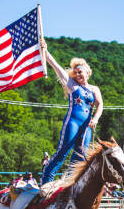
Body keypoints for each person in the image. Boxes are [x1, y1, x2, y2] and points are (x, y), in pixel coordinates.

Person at [40, 40, 103, 185]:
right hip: (73, 123)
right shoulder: (72, 85)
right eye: (75, 72)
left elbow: (100, 105)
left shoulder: (95, 89)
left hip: (87, 126)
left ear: (88, 73)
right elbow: (57, 67)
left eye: (80, 72)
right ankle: (45, 181)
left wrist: (96, 118)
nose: (77, 74)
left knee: (81, 157)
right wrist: (46, 52)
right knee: (63, 151)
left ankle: (69, 184)